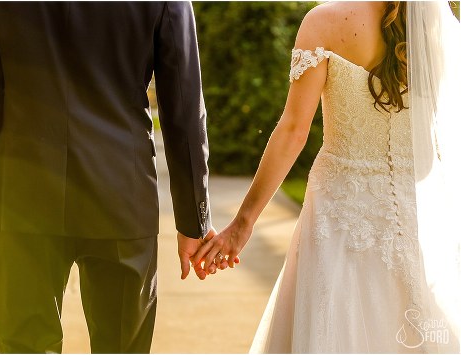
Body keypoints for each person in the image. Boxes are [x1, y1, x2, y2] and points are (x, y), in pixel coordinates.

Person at [196, 1, 461, 352]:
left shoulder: (324, 21)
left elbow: (293, 131)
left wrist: (242, 224)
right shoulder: (435, 29)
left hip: (336, 222)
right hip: (412, 226)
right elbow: (432, 150)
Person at [0, 2, 218, 353]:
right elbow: (184, 108)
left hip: (25, 197)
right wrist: (193, 220)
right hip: (122, 195)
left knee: (26, 346)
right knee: (122, 345)